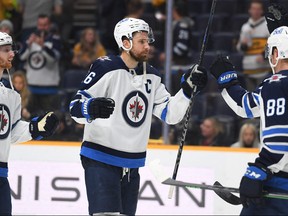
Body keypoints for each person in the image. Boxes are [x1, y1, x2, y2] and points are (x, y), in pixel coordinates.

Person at [69, 17, 207, 215]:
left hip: (131, 164)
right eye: (141, 41)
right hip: (101, 158)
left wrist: (186, 90)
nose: (147, 46)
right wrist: (89, 108)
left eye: (147, 41)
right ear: (125, 43)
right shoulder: (105, 67)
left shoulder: (152, 75)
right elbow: (74, 107)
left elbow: (170, 115)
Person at [209, 25, 288, 215]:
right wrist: (227, 81)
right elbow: (248, 106)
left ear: (276, 52)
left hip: (279, 186)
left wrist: (259, 170)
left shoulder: (277, 83)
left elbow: (280, 139)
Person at [0, 32, 59, 215]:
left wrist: (36, 128)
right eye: (6, 50)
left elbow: (12, 131)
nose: (12, 54)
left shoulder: (11, 95)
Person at [18, 14, 61, 116]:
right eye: (40, 25)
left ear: (49, 25)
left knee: (50, 119)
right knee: (28, 118)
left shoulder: (55, 41)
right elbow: (21, 57)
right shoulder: (30, 40)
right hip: (31, 87)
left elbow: (53, 59)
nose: (42, 28)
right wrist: (28, 44)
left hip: (49, 88)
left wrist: (43, 46)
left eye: (45, 25)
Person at [236, 0, 271, 91]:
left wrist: (264, 55)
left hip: (264, 71)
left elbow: (272, 44)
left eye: (258, 9)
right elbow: (239, 48)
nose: (255, 11)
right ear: (250, 10)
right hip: (248, 70)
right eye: (253, 9)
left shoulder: (267, 25)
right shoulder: (245, 27)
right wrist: (243, 45)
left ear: (262, 11)